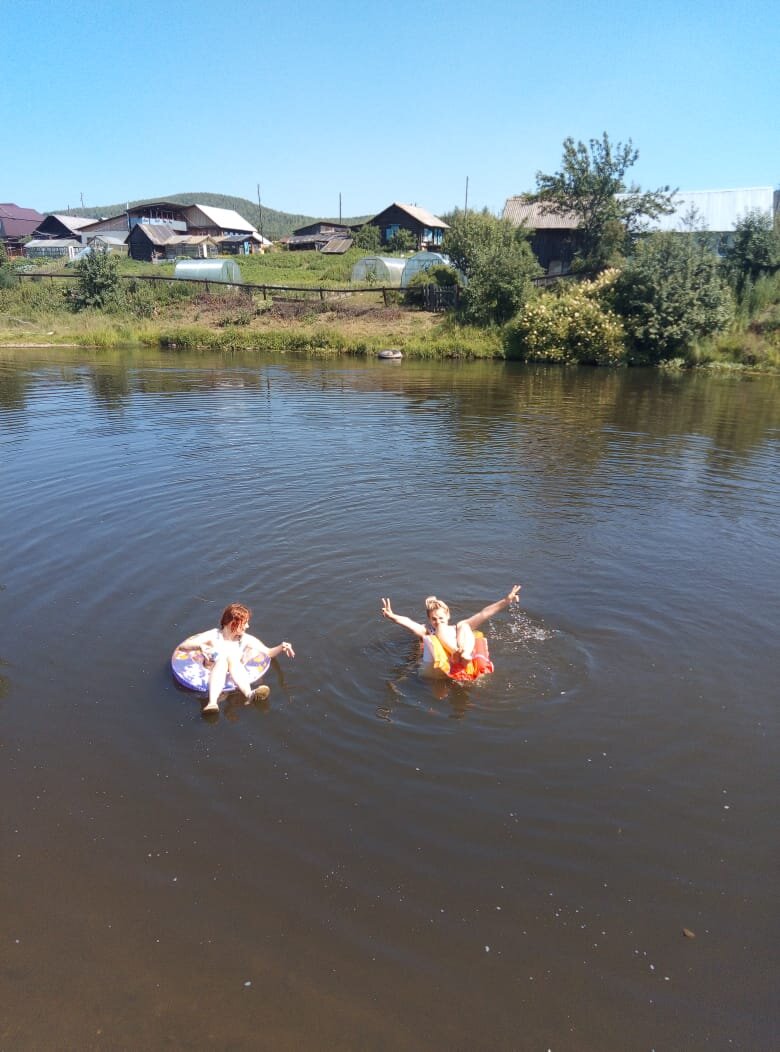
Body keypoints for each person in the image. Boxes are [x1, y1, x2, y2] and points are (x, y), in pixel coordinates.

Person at [380, 586, 521, 679]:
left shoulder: (456, 628)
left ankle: (464, 654)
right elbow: (409, 623)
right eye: (433, 619)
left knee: (464, 624)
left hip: (463, 660)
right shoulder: (428, 631)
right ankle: (457, 654)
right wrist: (392, 616)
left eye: (441, 618)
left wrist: (506, 601)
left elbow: (483, 614)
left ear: (448, 615)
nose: (438, 621)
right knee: (440, 630)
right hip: (437, 670)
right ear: (429, 620)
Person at [178, 602, 295, 713]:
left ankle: (250, 695)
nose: (248, 626)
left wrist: (281, 647)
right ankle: (212, 703)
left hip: (234, 677)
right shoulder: (213, 636)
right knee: (222, 661)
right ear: (232, 623)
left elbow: (268, 652)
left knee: (232, 659)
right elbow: (183, 647)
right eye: (245, 623)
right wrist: (201, 647)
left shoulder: (245, 639)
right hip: (210, 676)